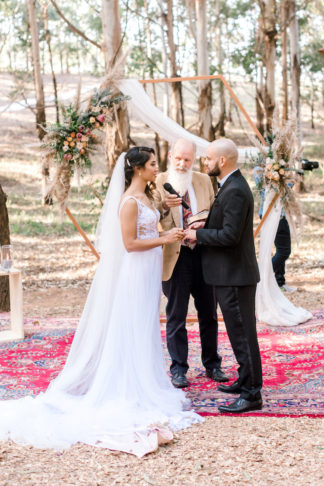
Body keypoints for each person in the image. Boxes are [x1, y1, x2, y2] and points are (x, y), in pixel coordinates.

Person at [0, 147, 202, 457]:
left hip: (149, 270)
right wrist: (166, 238)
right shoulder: (129, 202)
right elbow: (130, 244)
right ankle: (127, 384)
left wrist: (165, 225)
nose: (155, 168)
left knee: (145, 325)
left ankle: (145, 377)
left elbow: (150, 228)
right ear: (136, 169)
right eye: (150, 164)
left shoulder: (148, 196)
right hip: (136, 271)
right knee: (132, 324)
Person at [185, 138, 263, 413]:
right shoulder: (230, 186)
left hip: (235, 275)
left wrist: (198, 234)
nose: (205, 162)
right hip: (228, 274)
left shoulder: (235, 190)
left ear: (222, 161)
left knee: (243, 335)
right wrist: (207, 223)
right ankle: (244, 380)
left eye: (208, 158)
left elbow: (230, 236)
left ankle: (252, 393)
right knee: (238, 333)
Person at [154, 138, 228, 389]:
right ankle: (178, 369)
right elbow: (149, 216)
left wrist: (206, 224)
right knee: (176, 314)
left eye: (187, 159)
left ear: (193, 159)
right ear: (170, 156)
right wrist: (164, 206)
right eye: (178, 158)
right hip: (176, 255)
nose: (182, 164)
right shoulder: (158, 180)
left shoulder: (205, 180)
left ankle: (212, 364)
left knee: (209, 312)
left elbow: (217, 213)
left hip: (204, 254)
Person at [253, 166, 296, 293]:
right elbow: (280, 190)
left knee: (279, 250)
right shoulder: (264, 170)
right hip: (275, 214)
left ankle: (279, 281)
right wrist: (290, 181)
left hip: (271, 213)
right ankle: (261, 276)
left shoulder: (261, 169)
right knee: (284, 251)